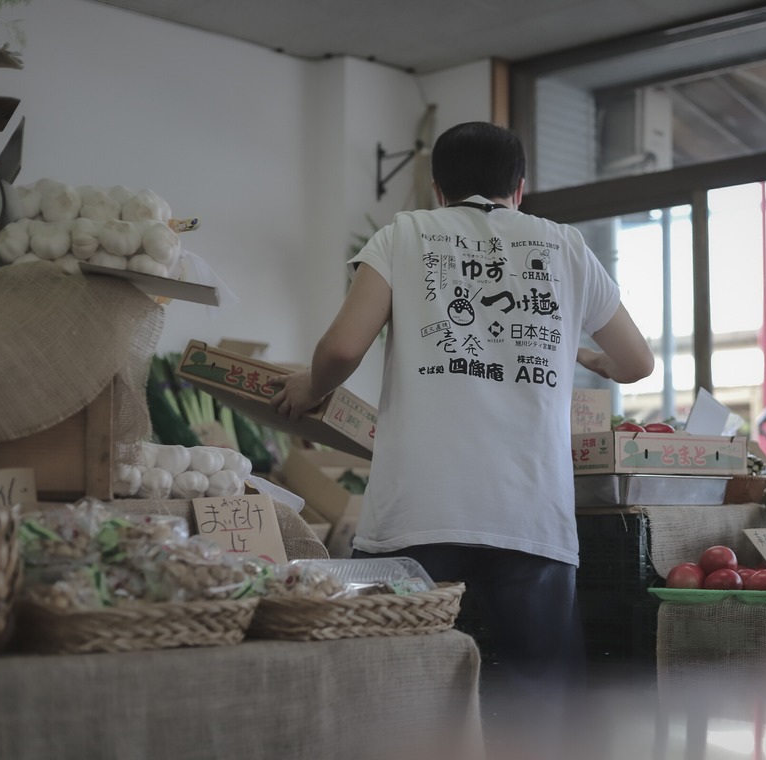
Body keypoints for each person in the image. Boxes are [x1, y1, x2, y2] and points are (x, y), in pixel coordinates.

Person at [270, 121, 654, 756]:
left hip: (418, 512)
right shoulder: (564, 247)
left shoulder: (405, 234)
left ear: (437, 188)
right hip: (530, 515)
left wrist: (311, 388)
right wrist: (595, 360)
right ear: (520, 189)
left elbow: (341, 348)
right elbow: (637, 361)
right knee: (544, 716)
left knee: (394, 699)